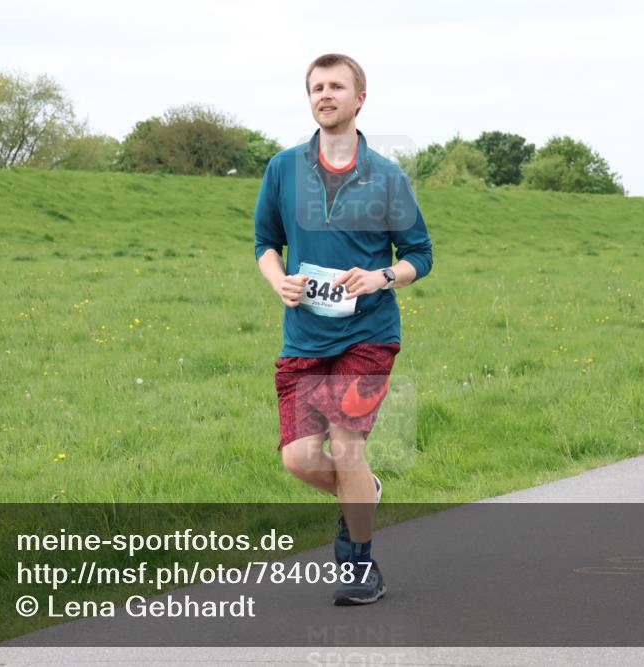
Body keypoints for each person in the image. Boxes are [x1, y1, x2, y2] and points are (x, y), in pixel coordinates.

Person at [254, 53, 433, 605]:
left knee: (346, 445)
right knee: (301, 459)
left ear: (360, 98)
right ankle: (365, 495)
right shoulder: (283, 168)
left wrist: (382, 276)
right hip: (304, 336)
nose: (324, 94)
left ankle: (360, 566)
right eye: (315, 87)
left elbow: (420, 255)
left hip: (368, 335)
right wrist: (278, 280)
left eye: (336, 86)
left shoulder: (387, 176)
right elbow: (265, 243)